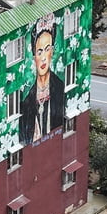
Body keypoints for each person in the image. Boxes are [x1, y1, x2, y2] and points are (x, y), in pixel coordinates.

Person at [18, 13, 67, 146]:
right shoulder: (27, 101)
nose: (44, 57)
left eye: (47, 49)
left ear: (52, 51)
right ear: (34, 56)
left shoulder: (59, 87)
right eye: (39, 51)